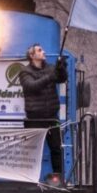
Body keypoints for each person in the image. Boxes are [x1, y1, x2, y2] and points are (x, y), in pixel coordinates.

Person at [19, 43, 67, 182]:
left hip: (51, 117)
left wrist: (61, 67)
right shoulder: (25, 72)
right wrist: (51, 76)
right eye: (40, 50)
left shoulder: (50, 69)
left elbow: (62, 78)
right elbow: (31, 86)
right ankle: (29, 179)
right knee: (31, 151)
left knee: (57, 149)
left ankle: (59, 178)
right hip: (34, 119)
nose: (44, 52)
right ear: (32, 55)